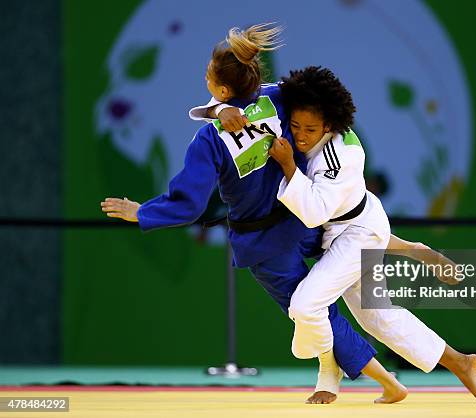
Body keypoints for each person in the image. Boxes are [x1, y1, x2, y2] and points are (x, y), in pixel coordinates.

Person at [101, 23, 385, 404]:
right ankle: (344, 369)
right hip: (307, 216)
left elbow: (189, 202)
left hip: (266, 242)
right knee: (326, 302)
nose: (203, 76)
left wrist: (144, 213)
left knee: (309, 309)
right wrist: (224, 108)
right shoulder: (281, 100)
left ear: (220, 89)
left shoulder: (209, 139)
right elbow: (315, 94)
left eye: (208, 75)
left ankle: (385, 379)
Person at [267, 66, 476, 404]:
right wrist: (224, 107)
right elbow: (271, 94)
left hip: (357, 234)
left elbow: (314, 212)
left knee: (305, 305)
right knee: (379, 319)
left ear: (329, 125)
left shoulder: (341, 156)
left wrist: (287, 165)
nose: (300, 136)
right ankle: (461, 362)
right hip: (358, 226)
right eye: (295, 126)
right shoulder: (310, 123)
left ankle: (329, 370)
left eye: (310, 129)